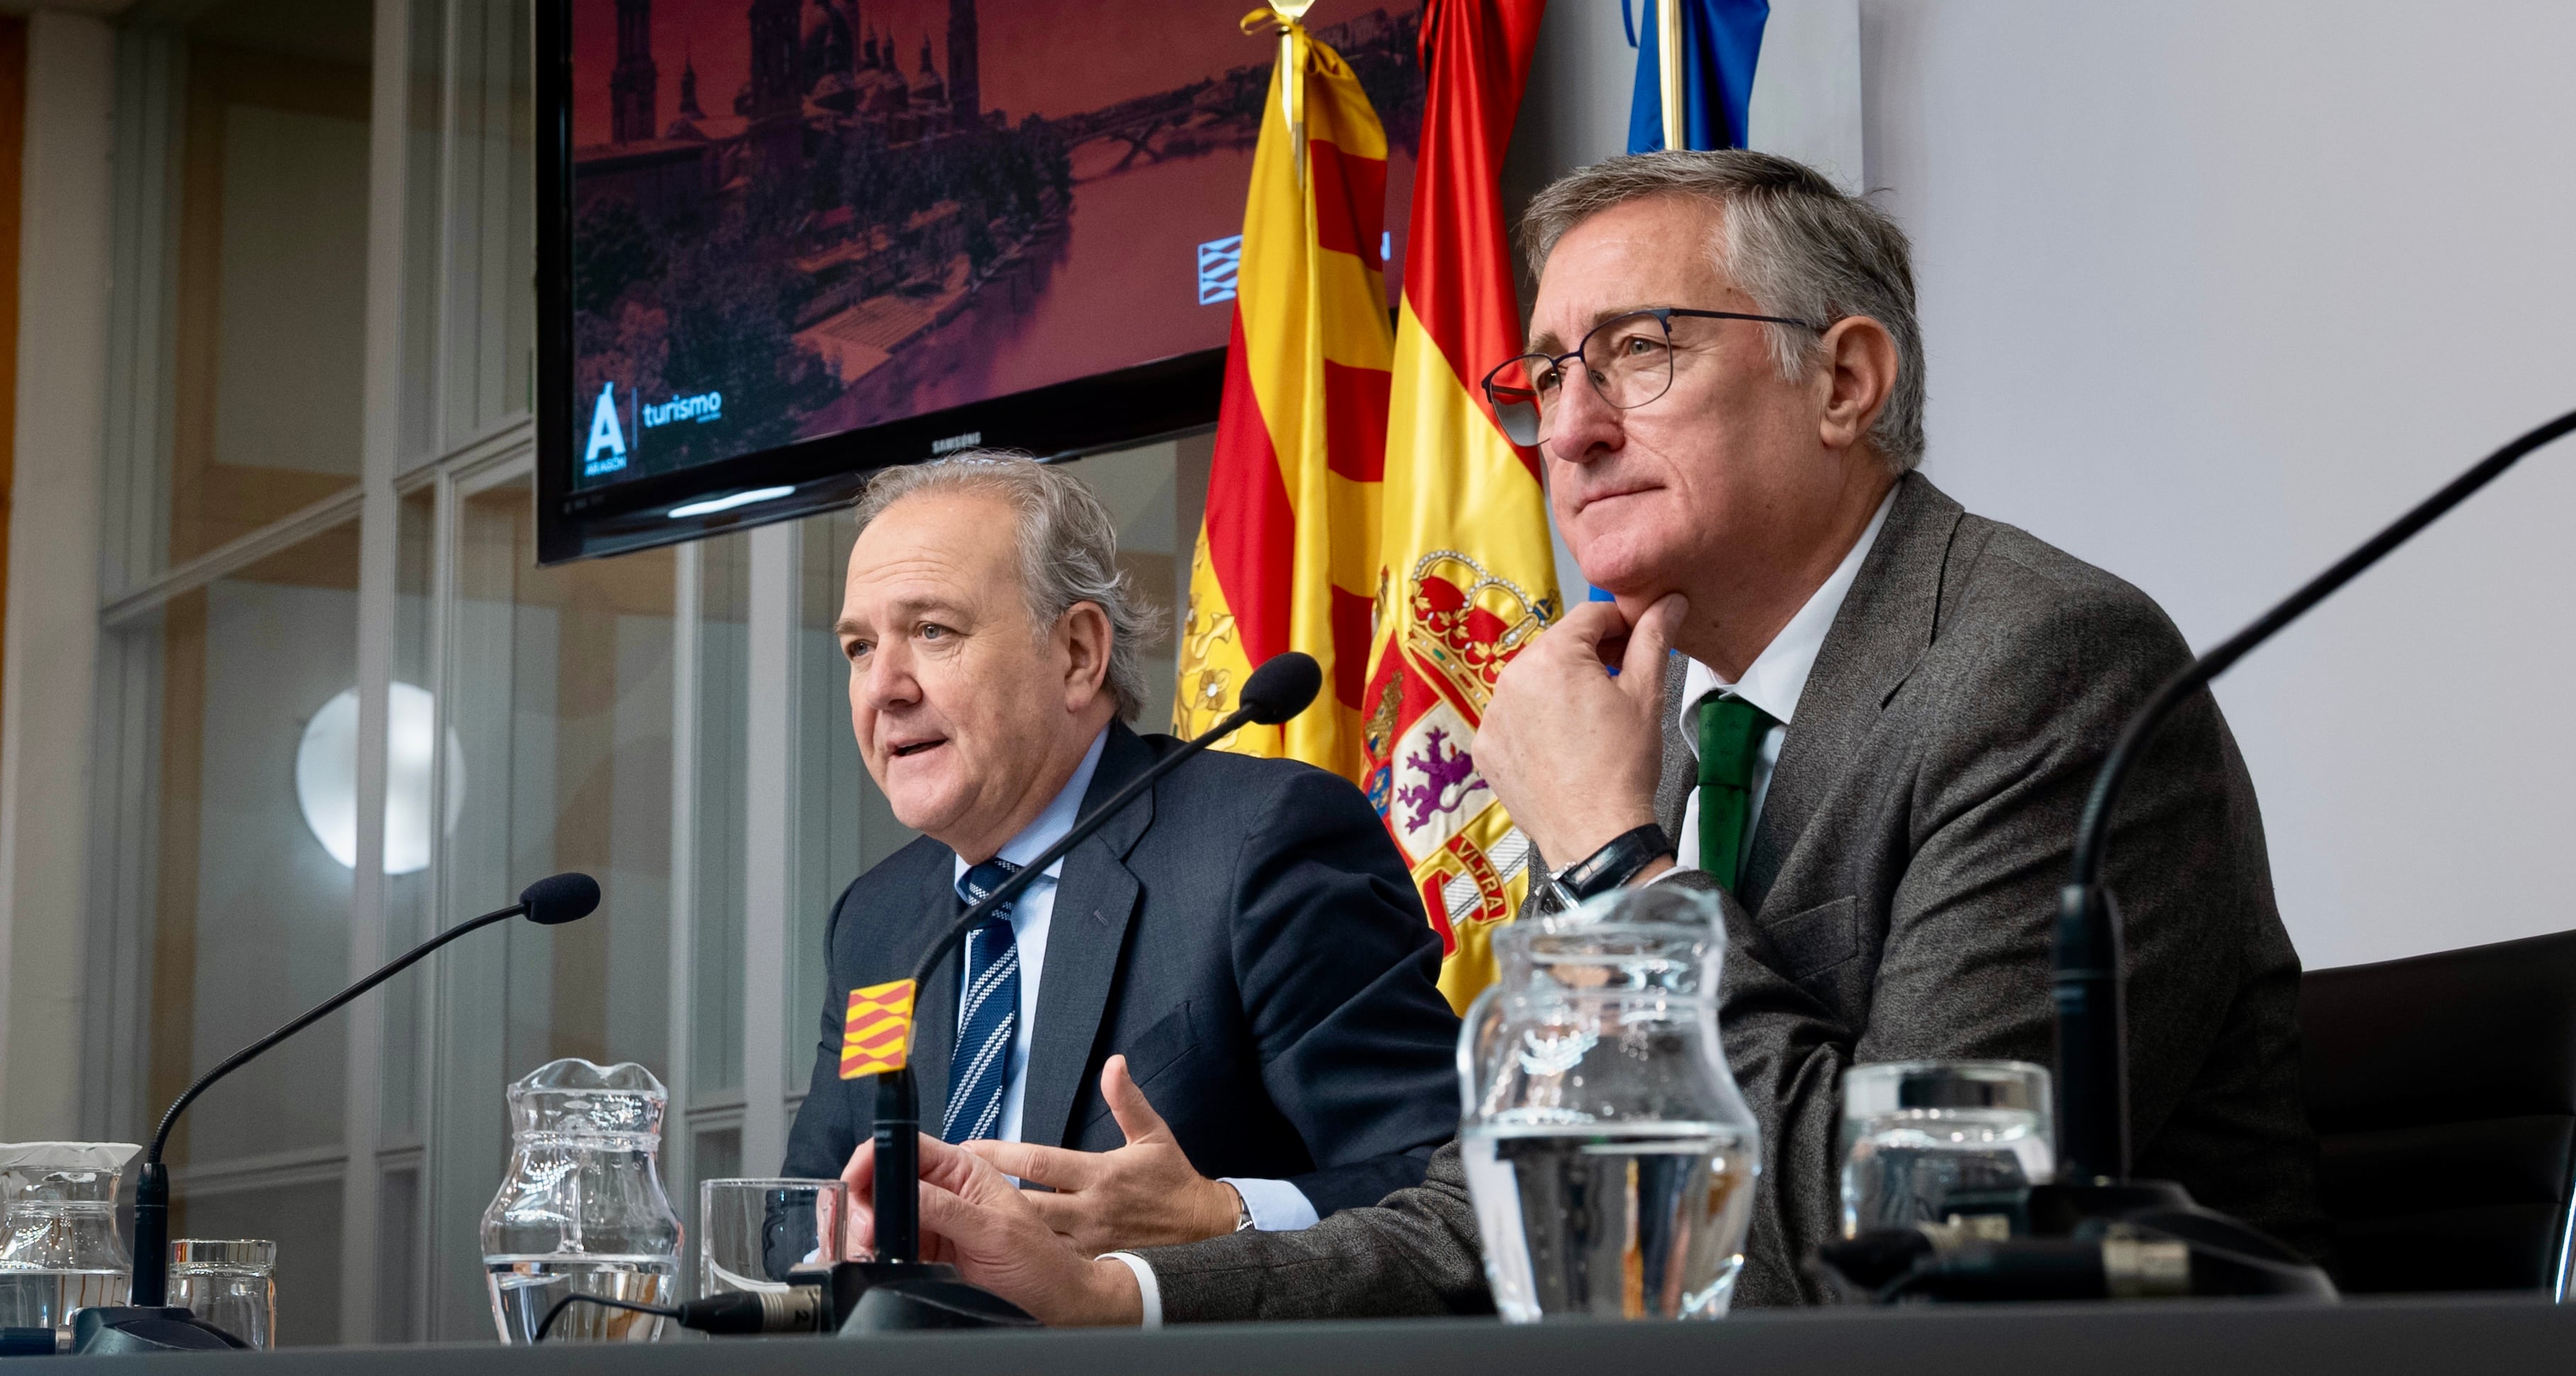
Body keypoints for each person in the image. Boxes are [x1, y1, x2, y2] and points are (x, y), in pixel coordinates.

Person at [831, 148, 2327, 1320]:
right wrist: (1126, 1288)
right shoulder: (1649, 724)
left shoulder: (2042, 669)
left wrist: (1613, 863)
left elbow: (1907, 1235)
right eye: (1547, 373)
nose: (1570, 428)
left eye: (1640, 350)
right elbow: (1498, 1214)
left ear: (1847, 381)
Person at [781, 452, 1460, 1252]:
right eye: (859, 646)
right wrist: (837, 1234)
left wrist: (1220, 1213)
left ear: (1076, 652)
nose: (882, 686)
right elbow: (800, 1208)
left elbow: (1447, 1183)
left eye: (933, 630)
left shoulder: (1257, 844)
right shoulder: (879, 922)